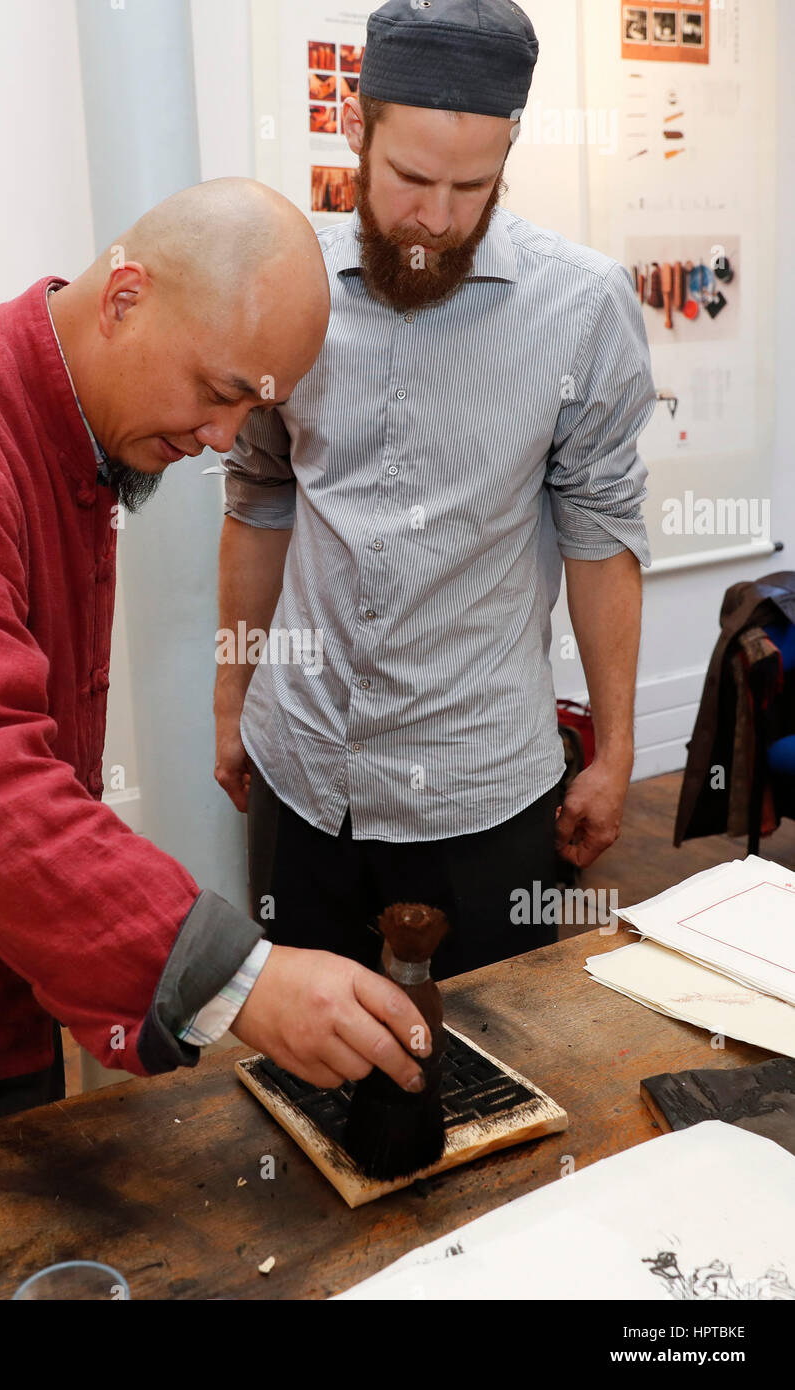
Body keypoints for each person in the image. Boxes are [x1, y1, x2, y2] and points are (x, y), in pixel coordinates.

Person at [0, 177, 432, 1131]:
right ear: (125, 298)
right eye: (218, 392)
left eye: (251, 413)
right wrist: (240, 980)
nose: (221, 439)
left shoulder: (65, 424)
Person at [215, 2, 656, 979]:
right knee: (299, 1063)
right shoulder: (285, 289)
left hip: (480, 786)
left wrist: (615, 750)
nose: (438, 218)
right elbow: (257, 500)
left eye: (472, 186)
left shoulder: (580, 310)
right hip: (301, 760)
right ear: (352, 129)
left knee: (492, 1061)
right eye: (411, 179)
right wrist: (229, 698)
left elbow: (599, 535)